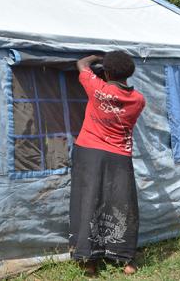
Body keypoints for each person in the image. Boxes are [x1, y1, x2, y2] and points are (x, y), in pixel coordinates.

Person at [69, 51, 146, 276]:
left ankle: (90, 263)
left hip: (90, 153)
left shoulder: (97, 89)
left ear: (107, 71)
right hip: (120, 155)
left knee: (89, 201)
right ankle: (127, 261)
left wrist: (96, 56)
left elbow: (81, 63)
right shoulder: (138, 100)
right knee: (122, 203)